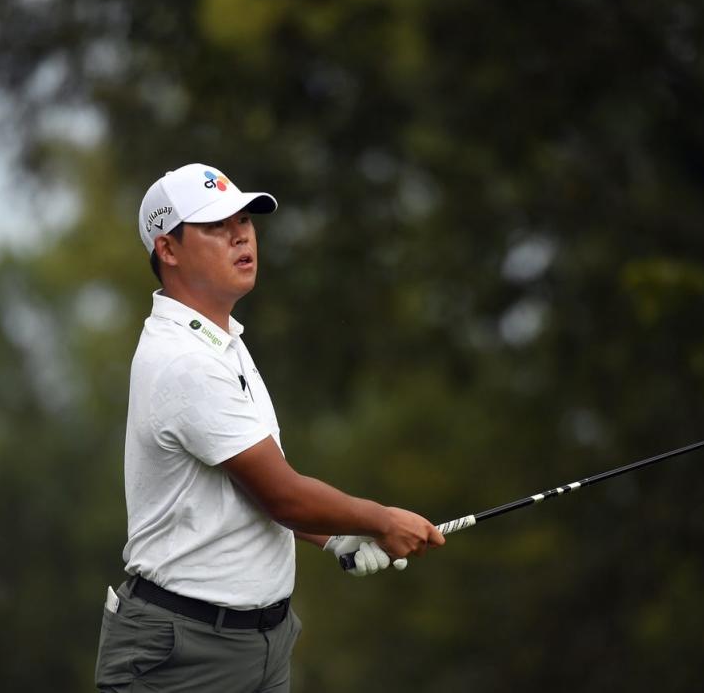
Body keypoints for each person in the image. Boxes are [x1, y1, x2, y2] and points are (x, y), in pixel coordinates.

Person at [94, 163, 445, 692]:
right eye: (216, 226)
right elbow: (283, 496)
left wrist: (334, 538)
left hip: (260, 643)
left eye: (245, 221)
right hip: (181, 653)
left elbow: (251, 488)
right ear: (167, 249)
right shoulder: (184, 360)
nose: (241, 235)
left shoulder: (223, 339)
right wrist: (380, 521)